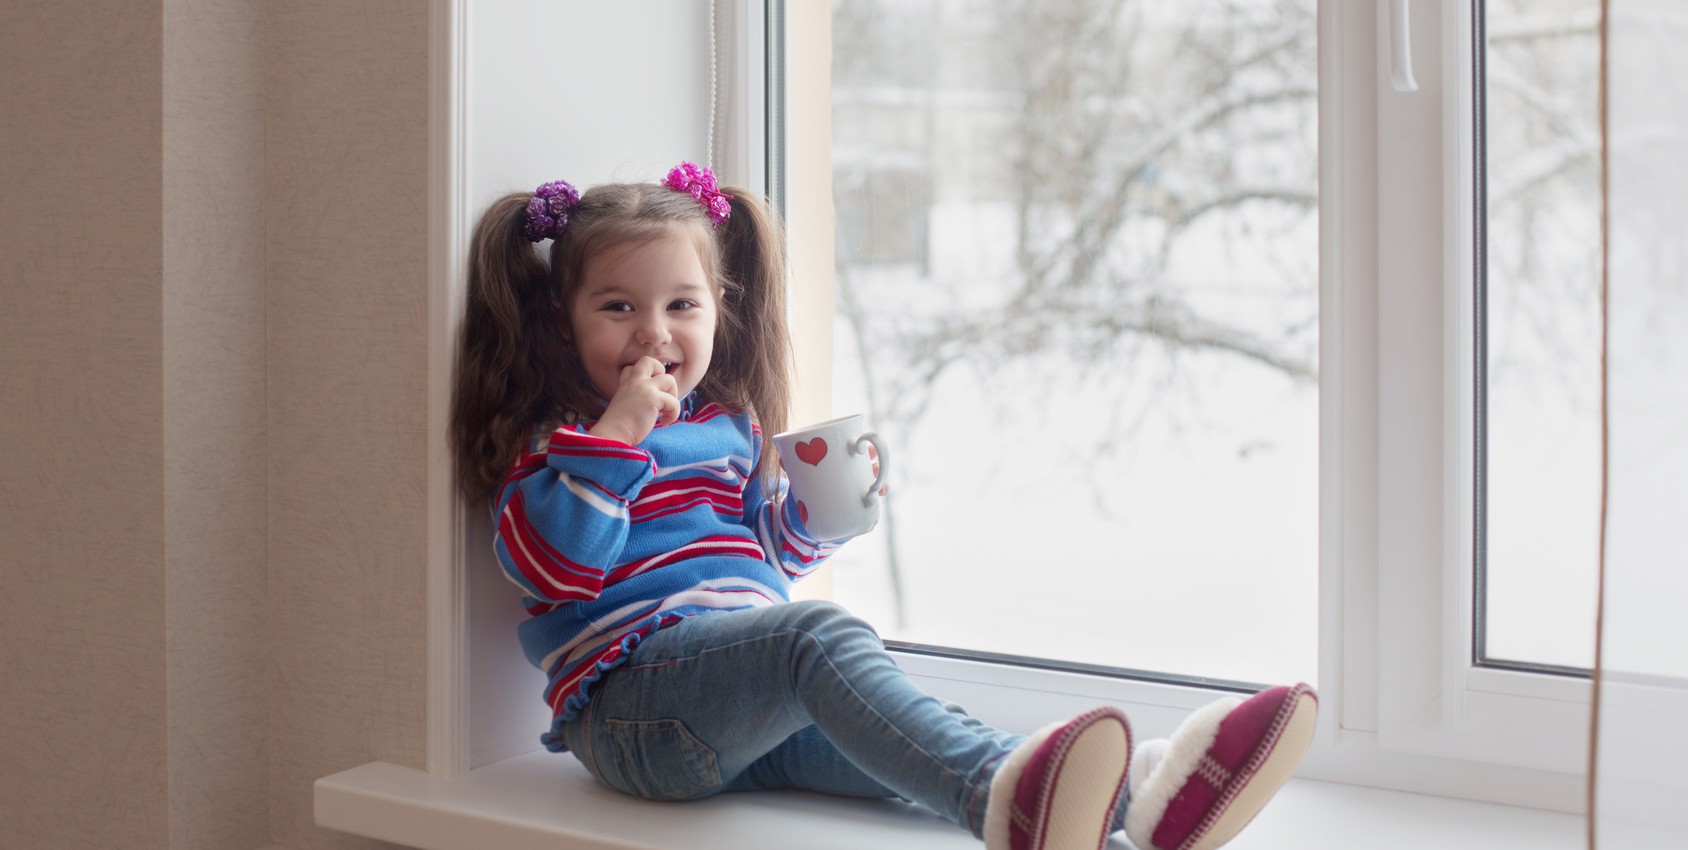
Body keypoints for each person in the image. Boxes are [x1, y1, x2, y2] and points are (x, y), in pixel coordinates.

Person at [448, 162, 1318, 850]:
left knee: (900, 731)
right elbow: (558, 568)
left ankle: (1147, 803)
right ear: (565, 326)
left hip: (731, 714)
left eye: (683, 305)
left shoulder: (728, 428)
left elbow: (755, 565)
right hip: (634, 715)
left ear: (719, 313)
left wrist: (816, 518)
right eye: (618, 308)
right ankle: (1007, 809)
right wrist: (623, 429)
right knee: (816, 638)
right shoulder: (557, 440)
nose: (655, 332)